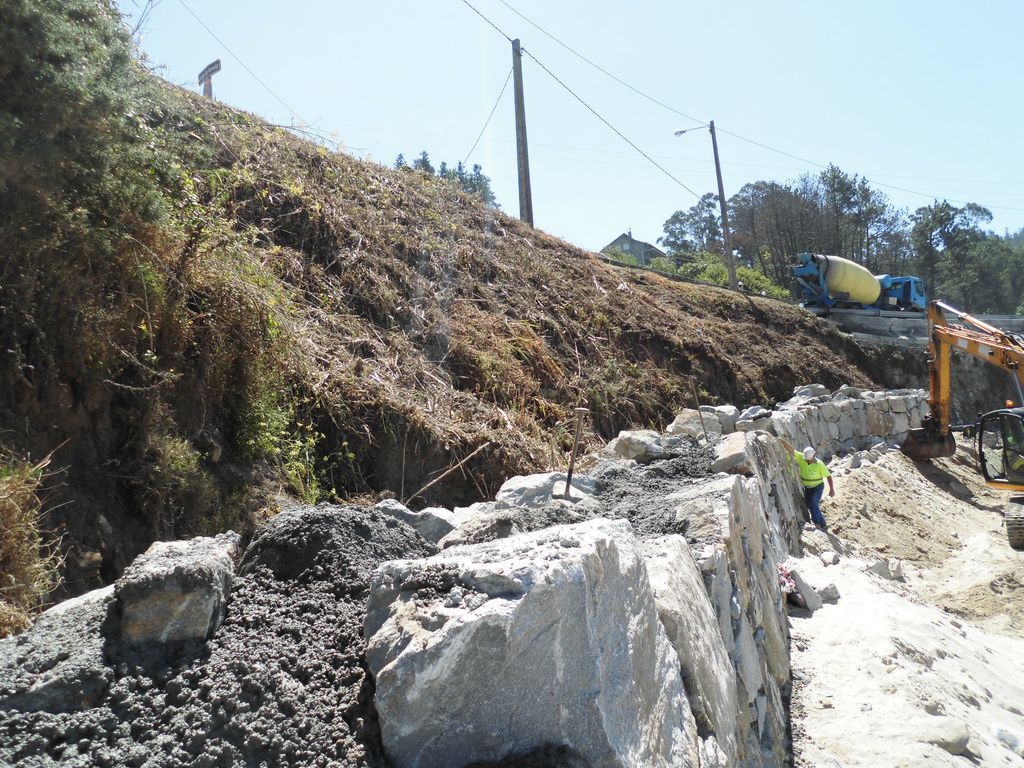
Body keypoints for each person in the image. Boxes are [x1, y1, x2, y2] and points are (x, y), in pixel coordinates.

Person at [780, 439, 834, 530]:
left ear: (814, 456)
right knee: (809, 504)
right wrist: (781, 440)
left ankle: (819, 523)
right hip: (807, 488)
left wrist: (831, 489)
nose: (808, 462)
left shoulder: (819, 464)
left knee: (813, 502)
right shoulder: (802, 458)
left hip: (818, 487)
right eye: (807, 460)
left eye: (809, 460)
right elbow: (791, 450)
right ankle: (821, 523)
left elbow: (828, 476)